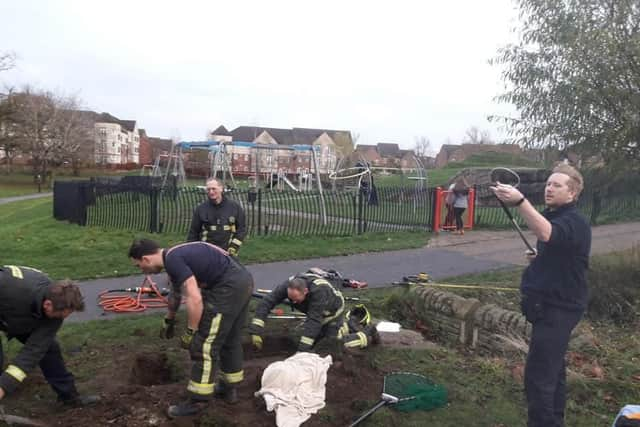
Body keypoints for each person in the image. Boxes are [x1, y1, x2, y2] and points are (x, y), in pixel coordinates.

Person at [491, 163, 591, 427]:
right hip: (546, 306)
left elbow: (547, 233)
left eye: (557, 185)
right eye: (548, 183)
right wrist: (541, 257)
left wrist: (520, 201)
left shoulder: (574, 221)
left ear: (572, 194)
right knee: (553, 371)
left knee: (538, 377)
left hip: (561, 307)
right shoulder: (557, 217)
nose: (549, 188)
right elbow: (557, 246)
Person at [128, 239, 254, 418]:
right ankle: (229, 389)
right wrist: (169, 319)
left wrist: (190, 331)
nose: (141, 270)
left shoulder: (173, 260)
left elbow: (195, 299)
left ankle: (198, 401)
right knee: (230, 339)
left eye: (139, 265)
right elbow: (176, 292)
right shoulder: (175, 255)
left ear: (146, 259)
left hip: (227, 289)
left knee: (204, 344)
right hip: (243, 281)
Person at [0, 265, 99, 406]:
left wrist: (4, 385)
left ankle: (69, 397)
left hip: (21, 318)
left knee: (49, 349)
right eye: (59, 315)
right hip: (7, 305)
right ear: (47, 304)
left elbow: (32, 352)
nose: (60, 319)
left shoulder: (56, 309)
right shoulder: (10, 288)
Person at [248, 271, 378, 353]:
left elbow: (314, 321)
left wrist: (301, 351)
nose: (293, 303)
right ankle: (348, 326)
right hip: (315, 312)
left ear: (305, 292)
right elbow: (267, 301)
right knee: (309, 341)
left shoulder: (319, 292)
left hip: (332, 312)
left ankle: (367, 334)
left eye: (296, 299)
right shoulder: (289, 285)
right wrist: (256, 329)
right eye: (290, 299)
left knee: (329, 346)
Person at [187, 177, 247, 257]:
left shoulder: (235, 207)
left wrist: (233, 248)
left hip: (228, 254)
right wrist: (191, 251)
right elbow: (193, 233)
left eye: (213, 189)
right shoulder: (201, 209)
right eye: (208, 189)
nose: (211, 192)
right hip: (206, 253)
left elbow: (241, 230)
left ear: (221, 188)